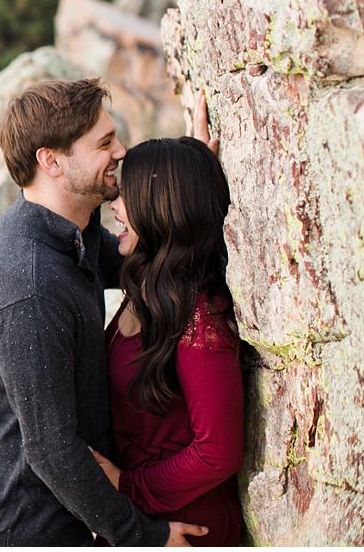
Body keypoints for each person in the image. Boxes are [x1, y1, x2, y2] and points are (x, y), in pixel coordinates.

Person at [0, 77, 207, 546]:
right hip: (16, 529)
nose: (122, 150)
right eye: (105, 142)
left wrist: (190, 179)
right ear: (52, 161)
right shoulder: (29, 288)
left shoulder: (68, 230)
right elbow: (52, 451)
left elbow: (139, 265)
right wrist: (145, 537)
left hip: (54, 514)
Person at [90, 136, 244, 546]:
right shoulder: (148, 285)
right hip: (147, 519)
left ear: (159, 206)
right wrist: (188, 159)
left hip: (187, 528)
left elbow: (219, 452)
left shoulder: (198, 315)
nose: (114, 205)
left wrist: (124, 484)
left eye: (126, 194)